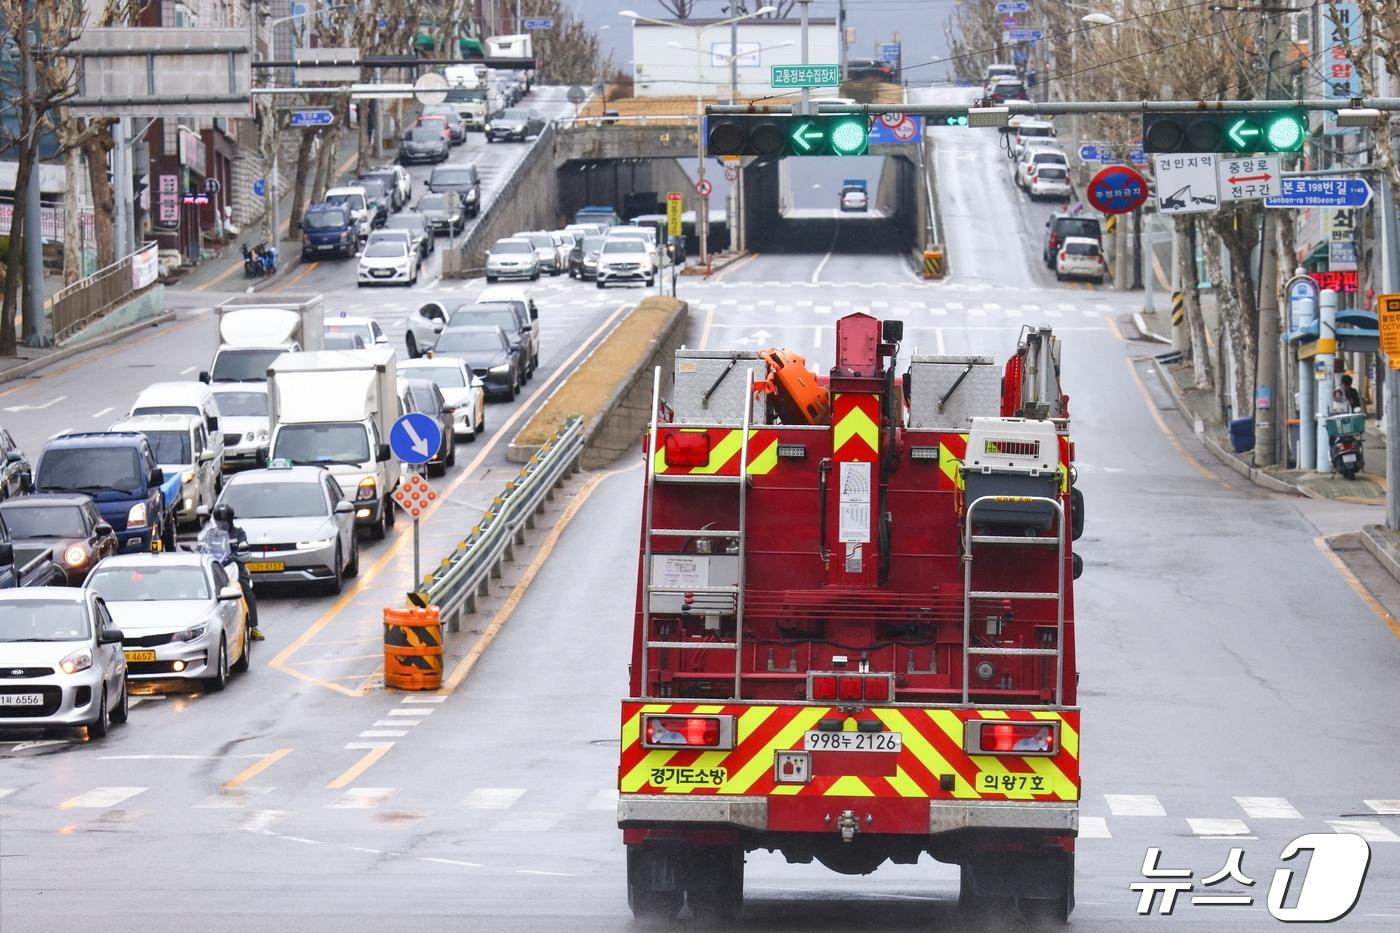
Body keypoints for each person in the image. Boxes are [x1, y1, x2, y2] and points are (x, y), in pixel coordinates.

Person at [202, 503, 263, 641]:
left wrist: (240, 553)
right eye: (219, 522)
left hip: (234, 565)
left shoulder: (239, 533)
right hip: (216, 567)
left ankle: (254, 627)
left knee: (246, 591)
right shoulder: (211, 534)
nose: (222, 525)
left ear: (230, 521)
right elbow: (204, 546)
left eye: (224, 522)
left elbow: (244, 546)